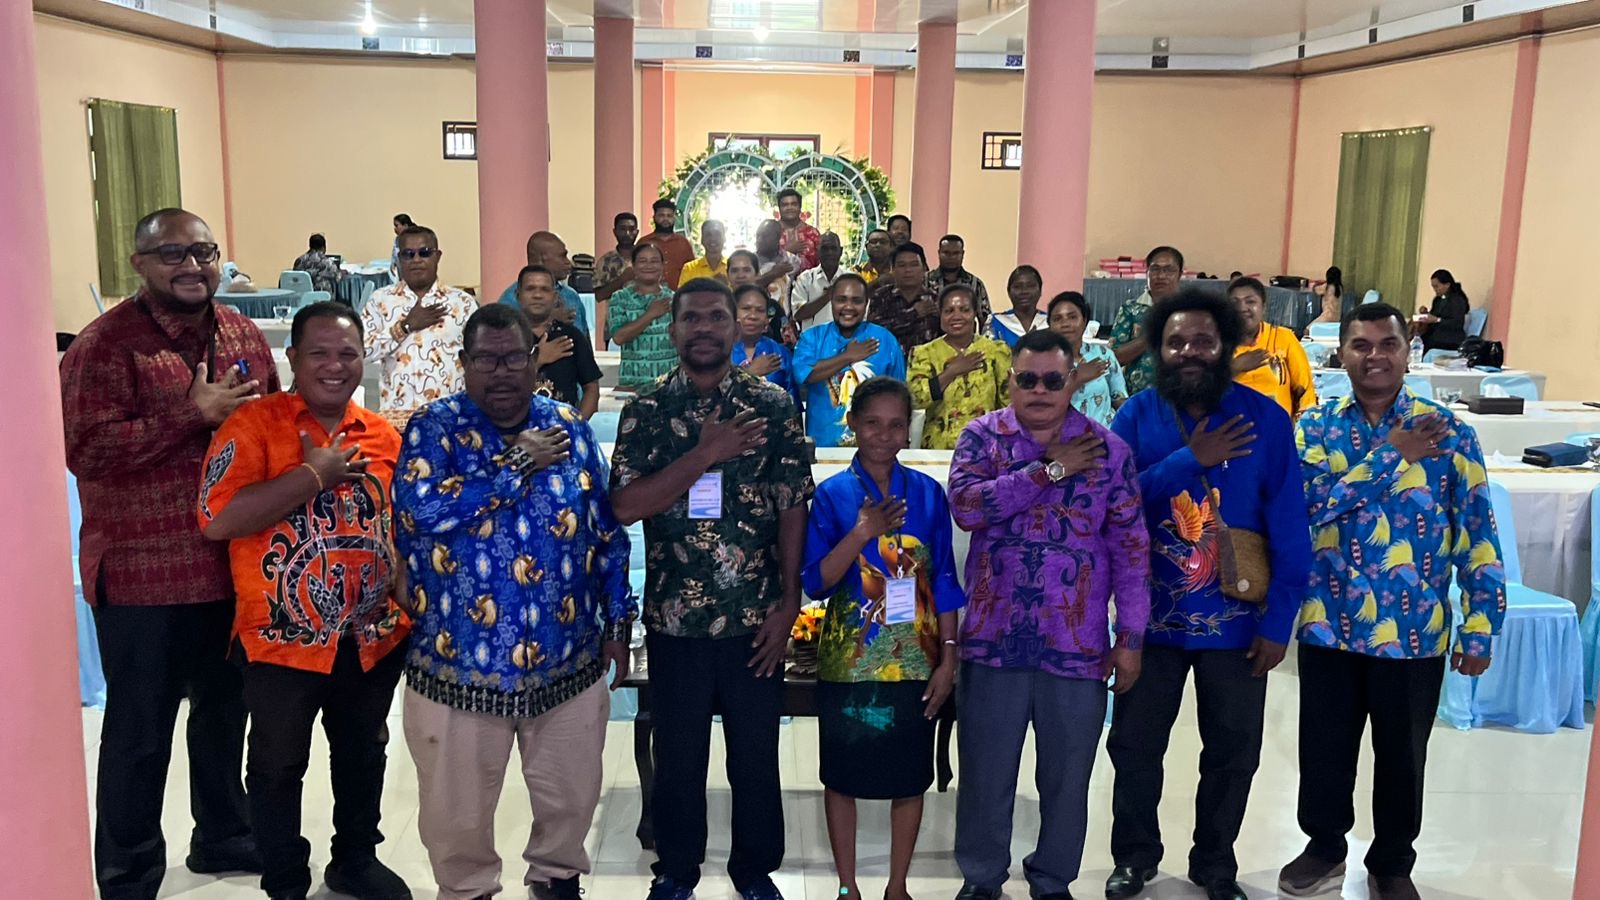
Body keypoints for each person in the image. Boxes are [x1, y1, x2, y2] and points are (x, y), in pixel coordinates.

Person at [62, 207, 276, 900]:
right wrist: (193, 414)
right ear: (140, 264)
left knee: (225, 715)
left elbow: (272, 420)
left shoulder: (241, 331)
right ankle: (128, 875)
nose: (192, 266)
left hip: (231, 568)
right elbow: (85, 449)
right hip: (143, 576)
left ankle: (223, 835)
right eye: (173, 254)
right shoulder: (103, 346)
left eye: (203, 252)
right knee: (140, 734)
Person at [394, 303, 635, 900]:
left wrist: (617, 620)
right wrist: (518, 463)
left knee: (572, 797)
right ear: (464, 363)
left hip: (566, 660)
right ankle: (467, 889)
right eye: (486, 360)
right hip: (458, 665)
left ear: (535, 361)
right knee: (455, 814)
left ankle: (555, 879)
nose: (501, 372)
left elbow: (604, 529)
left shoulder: (568, 427)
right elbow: (422, 511)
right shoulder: (434, 427)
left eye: (513, 358)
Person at [1281, 303, 1506, 900]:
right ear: (1341, 353)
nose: (1374, 356)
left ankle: (1392, 862)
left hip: (1415, 629)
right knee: (1324, 747)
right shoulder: (1315, 427)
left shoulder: (1449, 433)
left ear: (1409, 352)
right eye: (1361, 345)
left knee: (1403, 756)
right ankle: (1324, 846)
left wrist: (1480, 626)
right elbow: (1308, 507)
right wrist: (1394, 454)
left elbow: (1477, 534)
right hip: (1329, 622)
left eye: (1388, 344)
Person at [197, 301, 411, 900]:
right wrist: (312, 476)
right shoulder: (253, 425)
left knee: (363, 753)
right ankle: (286, 879)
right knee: (277, 765)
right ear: (292, 357)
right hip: (279, 640)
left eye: (347, 354)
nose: (334, 366)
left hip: (370, 638)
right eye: (319, 353)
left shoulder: (383, 435)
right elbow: (217, 519)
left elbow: (400, 528)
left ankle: (355, 861)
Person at [608, 277, 814, 900]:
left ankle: (755, 871)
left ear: (735, 325)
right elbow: (625, 505)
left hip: (756, 617)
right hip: (676, 619)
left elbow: (791, 506)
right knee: (679, 758)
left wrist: (790, 604)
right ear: (673, 329)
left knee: (754, 757)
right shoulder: (646, 410)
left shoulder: (772, 406)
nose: (703, 328)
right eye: (691, 318)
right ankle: (677, 871)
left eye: (716, 317)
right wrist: (703, 454)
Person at [1105, 289, 1314, 900]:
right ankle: (1134, 856)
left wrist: (1278, 623)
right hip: (1149, 621)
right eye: (1175, 342)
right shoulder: (1135, 416)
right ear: (1158, 350)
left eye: (1203, 341)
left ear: (1225, 347)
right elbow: (1111, 505)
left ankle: (1215, 863)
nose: (1189, 352)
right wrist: (1186, 460)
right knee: (1134, 746)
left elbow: (1290, 526)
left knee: (1233, 752)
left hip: (1240, 623)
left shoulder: (1265, 418)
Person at [947, 328, 1151, 900]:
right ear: (1011, 380)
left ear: (1072, 381)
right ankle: (982, 878)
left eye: (1053, 380)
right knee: (985, 773)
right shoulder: (982, 437)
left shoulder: (1108, 450)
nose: (1039, 390)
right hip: (993, 639)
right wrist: (1049, 470)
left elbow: (1132, 550)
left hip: (1076, 643)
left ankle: (1053, 878)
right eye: (1028, 379)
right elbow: (966, 508)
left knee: (1067, 777)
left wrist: (1131, 636)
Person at [802, 377, 965, 900]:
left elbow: (944, 581)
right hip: (849, 662)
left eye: (896, 425)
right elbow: (815, 582)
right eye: (872, 423)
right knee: (841, 775)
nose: (884, 435)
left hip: (916, 659)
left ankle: (897, 885)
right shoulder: (832, 495)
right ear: (852, 424)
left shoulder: (928, 493)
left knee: (909, 777)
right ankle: (847, 885)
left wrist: (948, 658)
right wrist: (860, 533)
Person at [360, 224, 477, 424]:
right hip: (397, 420)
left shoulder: (462, 303)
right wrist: (404, 327)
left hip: (450, 419)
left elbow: (478, 359)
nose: (416, 260)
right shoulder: (380, 301)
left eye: (424, 253)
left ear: (437, 256)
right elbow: (361, 352)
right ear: (399, 259)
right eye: (408, 254)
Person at [793, 274, 906, 447]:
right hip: (823, 444)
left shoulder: (885, 340)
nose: (848, 307)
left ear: (866, 303)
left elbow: (899, 396)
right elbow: (806, 374)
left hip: (875, 445)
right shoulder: (812, 337)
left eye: (857, 301)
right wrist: (847, 356)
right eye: (841, 300)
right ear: (831, 301)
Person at [907, 285, 1010, 450]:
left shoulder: (996, 351)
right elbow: (916, 399)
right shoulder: (923, 353)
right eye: (949, 311)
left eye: (964, 310)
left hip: (986, 447)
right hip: (938, 449)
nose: (957, 316)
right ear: (940, 315)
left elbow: (1008, 403)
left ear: (975, 313)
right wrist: (951, 372)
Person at [515, 265, 602, 417]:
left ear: (555, 297)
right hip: (517, 427)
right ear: (518, 295)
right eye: (530, 289)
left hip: (564, 428)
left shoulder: (571, 337)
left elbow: (591, 388)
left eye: (544, 290)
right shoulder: (505, 338)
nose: (537, 295)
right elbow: (497, 386)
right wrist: (538, 360)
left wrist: (577, 424)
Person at [1229, 276, 1317, 417]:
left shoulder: (1283, 338)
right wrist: (1234, 367)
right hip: (1231, 428)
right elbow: (1203, 391)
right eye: (1234, 302)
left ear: (1264, 308)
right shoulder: (1216, 344)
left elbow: (1305, 392)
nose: (1242, 308)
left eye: (1250, 301)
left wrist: (1303, 427)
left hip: (1279, 428)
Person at [1111, 245, 1185, 396]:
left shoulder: (1191, 310)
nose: (1161, 276)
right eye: (1155, 269)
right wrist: (1152, 334)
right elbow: (1114, 358)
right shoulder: (1131, 309)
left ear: (1179, 274)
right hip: (1138, 396)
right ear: (1147, 273)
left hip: (1182, 394)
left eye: (1169, 270)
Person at [1049, 291, 1128, 428]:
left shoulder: (1103, 354)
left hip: (1106, 434)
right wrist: (1077, 378)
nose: (1065, 323)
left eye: (1072, 317)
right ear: (1049, 325)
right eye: (1057, 319)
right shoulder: (1043, 361)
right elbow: (1041, 405)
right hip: (1065, 437)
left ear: (1084, 321)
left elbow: (1119, 400)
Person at [606, 242, 678, 391]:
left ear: (662, 266)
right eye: (642, 261)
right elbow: (619, 337)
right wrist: (650, 314)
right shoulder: (620, 298)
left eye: (654, 261)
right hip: (632, 385)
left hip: (668, 386)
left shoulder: (675, 299)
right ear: (633, 266)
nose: (648, 266)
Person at [497, 231, 588, 336]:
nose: (568, 262)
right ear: (540, 259)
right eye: (562, 256)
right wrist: (546, 321)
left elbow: (585, 339)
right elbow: (504, 340)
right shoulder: (509, 300)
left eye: (545, 290)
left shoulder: (571, 295)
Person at [868, 242, 940, 358]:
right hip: (889, 363)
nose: (908, 270)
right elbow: (874, 333)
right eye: (902, 265)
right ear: (893, 269)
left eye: (914, 265)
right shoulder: (881, 296)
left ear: (924, 268)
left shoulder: (936, 299)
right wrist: (913, 314)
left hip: (927, 364)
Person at [732, 284, 800, 407]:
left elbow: (793, 405)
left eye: (760, 310)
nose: (753, 316)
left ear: (767, 319)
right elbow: (711, 400)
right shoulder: (718, 353)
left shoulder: (780, 353)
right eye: (746, 308)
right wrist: (750, 373)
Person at [925, 234, 991, 328]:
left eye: (956, 253)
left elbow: (985, 319)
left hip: (964, 335)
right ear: (939, 253)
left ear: (962, 254)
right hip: (930, 335)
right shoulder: (924, 281)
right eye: (946, 253)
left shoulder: (975, 284)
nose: (951, 257)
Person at [754, 219, 805, 339]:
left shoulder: (792, 261)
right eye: (758, 236)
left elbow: (796, 291)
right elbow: (746, 287)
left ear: (777, 237)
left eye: (765, 236)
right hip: (756, 321)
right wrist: (773, 274)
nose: (759, 240)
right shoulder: (750, 262)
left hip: (784, 322)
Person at [792, 231, 850, 329]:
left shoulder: (851, 279)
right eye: (824, 248)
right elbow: (798, 314)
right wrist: (828, 295)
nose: (829, 253)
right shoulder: (805, 278)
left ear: (840, 251)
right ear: (817, 251)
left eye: (833, 248)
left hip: (844, 338)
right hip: (813, 338)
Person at [596, 212, 642, 333]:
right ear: (615, 231)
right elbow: (598, 296)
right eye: (622, 229)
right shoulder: (605, 261)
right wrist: (622, 280)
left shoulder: (645, 259)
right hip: (615, 324)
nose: (627, 233)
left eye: (631, 229)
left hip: (644, 323)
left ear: (637, 232)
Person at [639, 198, 697, 289]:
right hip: (648, 294)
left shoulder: (683, 243)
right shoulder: (643, 243)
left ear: (674, 218)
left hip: (678, 294)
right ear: (654, 217)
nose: (665, 219)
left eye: (669, 216)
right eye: (661, 215)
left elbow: (691, 271)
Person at [989, 265, 1047, 348]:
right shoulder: (994, 322)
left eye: (1030, 286)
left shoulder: (1050, 321)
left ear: (1040, 290)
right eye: (1017, 287)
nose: (1024, 291)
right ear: (1009, 292)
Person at [1417, 268, 1470, 352]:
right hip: (1436, 334)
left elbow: (1457, 323)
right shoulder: (1437, 300)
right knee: (1417, 338)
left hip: (1451, 338)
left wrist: (1437, 320)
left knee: (1425, 343)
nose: (1435, 289)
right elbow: (1433, 316)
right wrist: (1425, 313)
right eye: (1433, 287)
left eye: (1436, 286)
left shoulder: (1457, 300)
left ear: (1447, 285)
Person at [776, 187, 822, 270]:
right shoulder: (771, 233)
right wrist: (787, 251)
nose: (789, 208)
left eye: (794, 204)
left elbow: (821, 264)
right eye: (785, 205)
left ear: (800, 207)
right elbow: (763, 264)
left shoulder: (812, 233)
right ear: (779, 208)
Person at [679, 219, 729, 284]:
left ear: (724, 238)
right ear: (702, 239)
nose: (713, 239)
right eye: (708, 235)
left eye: (717, 234)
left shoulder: (733, 268)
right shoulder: (689, 269)